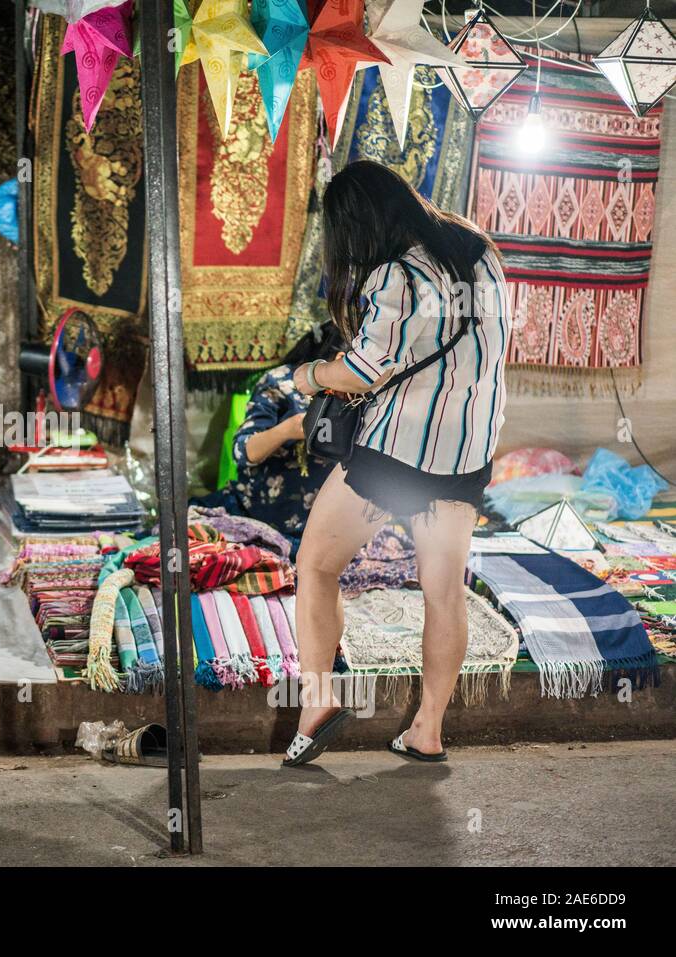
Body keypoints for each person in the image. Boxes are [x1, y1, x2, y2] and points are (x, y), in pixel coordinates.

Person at [282, 160, 508, 767]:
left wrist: (307, 376)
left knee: (316, 565)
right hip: (467, 454)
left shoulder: (394, 275)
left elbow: (361, 370)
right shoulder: (479, 252)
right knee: (444, 592)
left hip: (397, 455)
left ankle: (318, 701)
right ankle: (427, 731)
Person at [227, 324, 342, 547]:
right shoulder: (281, 382)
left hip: (329, 520)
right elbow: (242, 451)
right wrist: (288, 429)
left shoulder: (355, 386)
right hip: (271, 513)